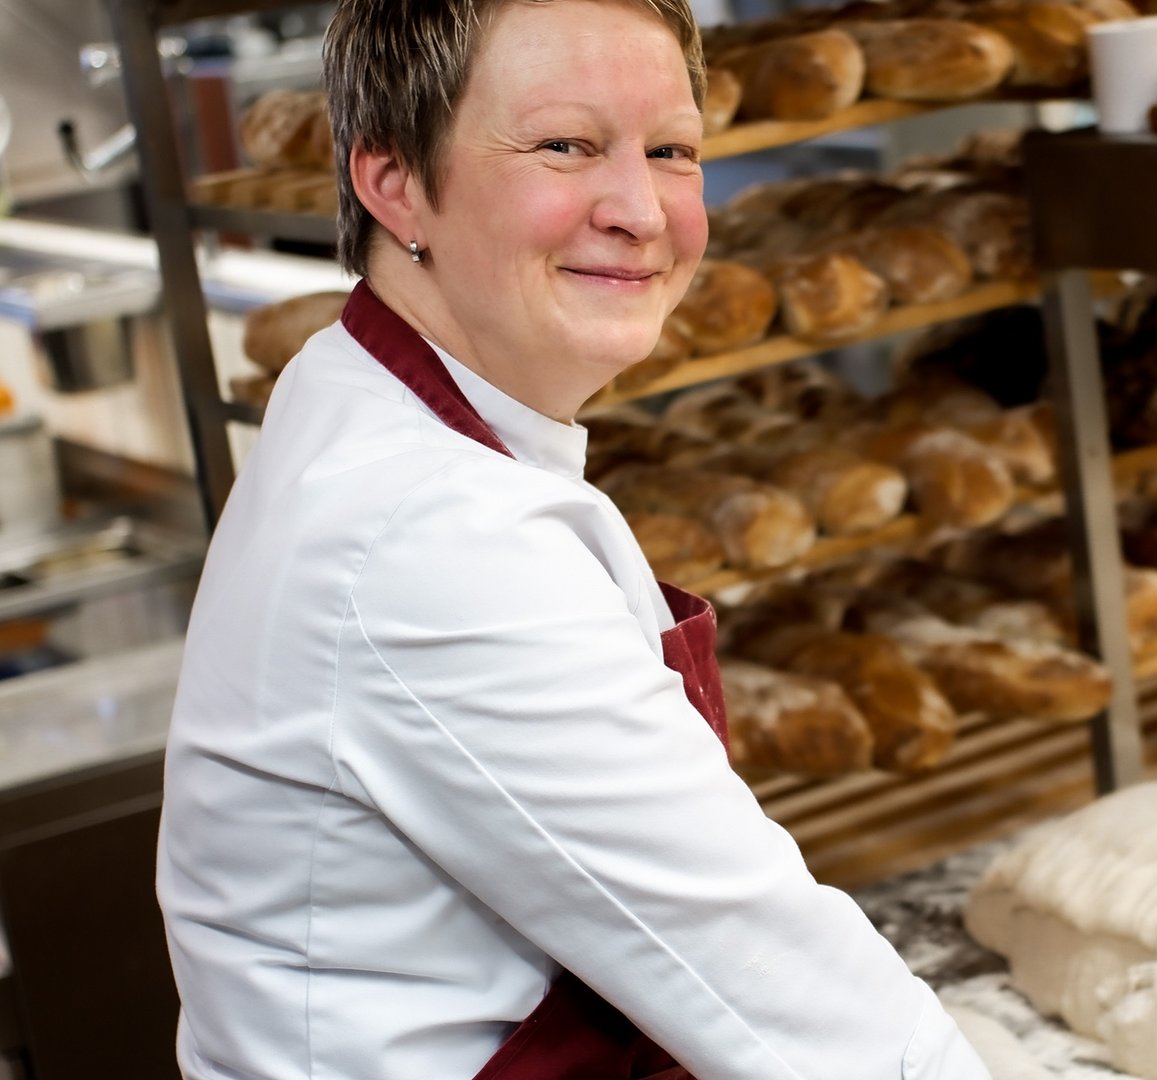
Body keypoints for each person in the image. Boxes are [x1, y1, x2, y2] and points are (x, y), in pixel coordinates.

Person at [155, 0, 991, 1076]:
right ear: (394, 182)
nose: (642, 210)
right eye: (565, 145)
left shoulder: (367, 393)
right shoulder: (432, 542)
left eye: (673, 151)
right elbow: (784, 995)